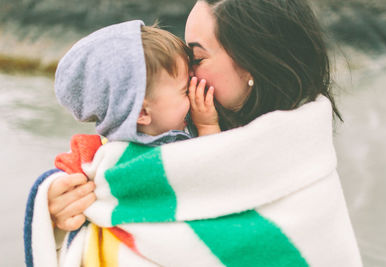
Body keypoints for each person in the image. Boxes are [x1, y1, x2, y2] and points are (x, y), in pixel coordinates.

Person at [31, 0, 362, 266]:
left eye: (197, 57)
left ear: (254, 63)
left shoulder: (303, 164)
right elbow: (106, 169)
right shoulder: (172, 123)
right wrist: (58, 205)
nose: (188, 75)